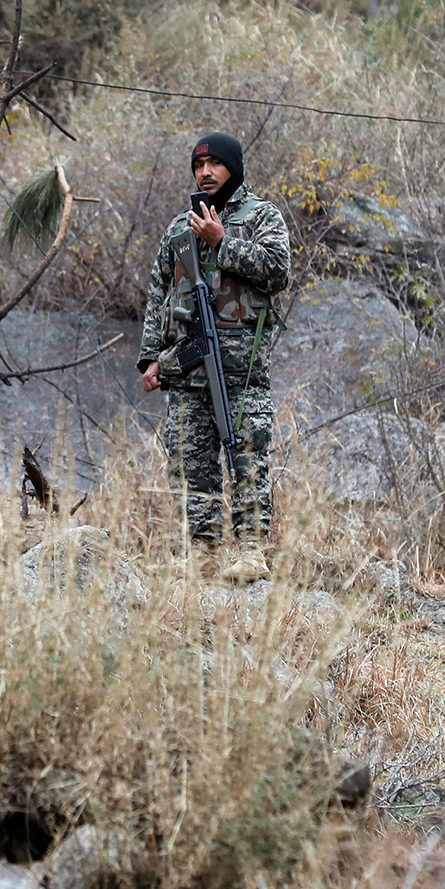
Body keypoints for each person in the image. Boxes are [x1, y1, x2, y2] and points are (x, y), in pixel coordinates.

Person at [137, 133, 290, 565]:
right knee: (189, 466)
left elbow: (278, 271)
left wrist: (222, 242)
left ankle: (252, 552)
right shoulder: (178, 227)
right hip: (187, 370)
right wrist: (151, 357)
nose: (205, 173)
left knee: (248, 460)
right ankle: (202, 556)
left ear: (233, 167)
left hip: (242, 373)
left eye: (215, 164)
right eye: (199, 166)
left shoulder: (262, 216)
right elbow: (156, 293)